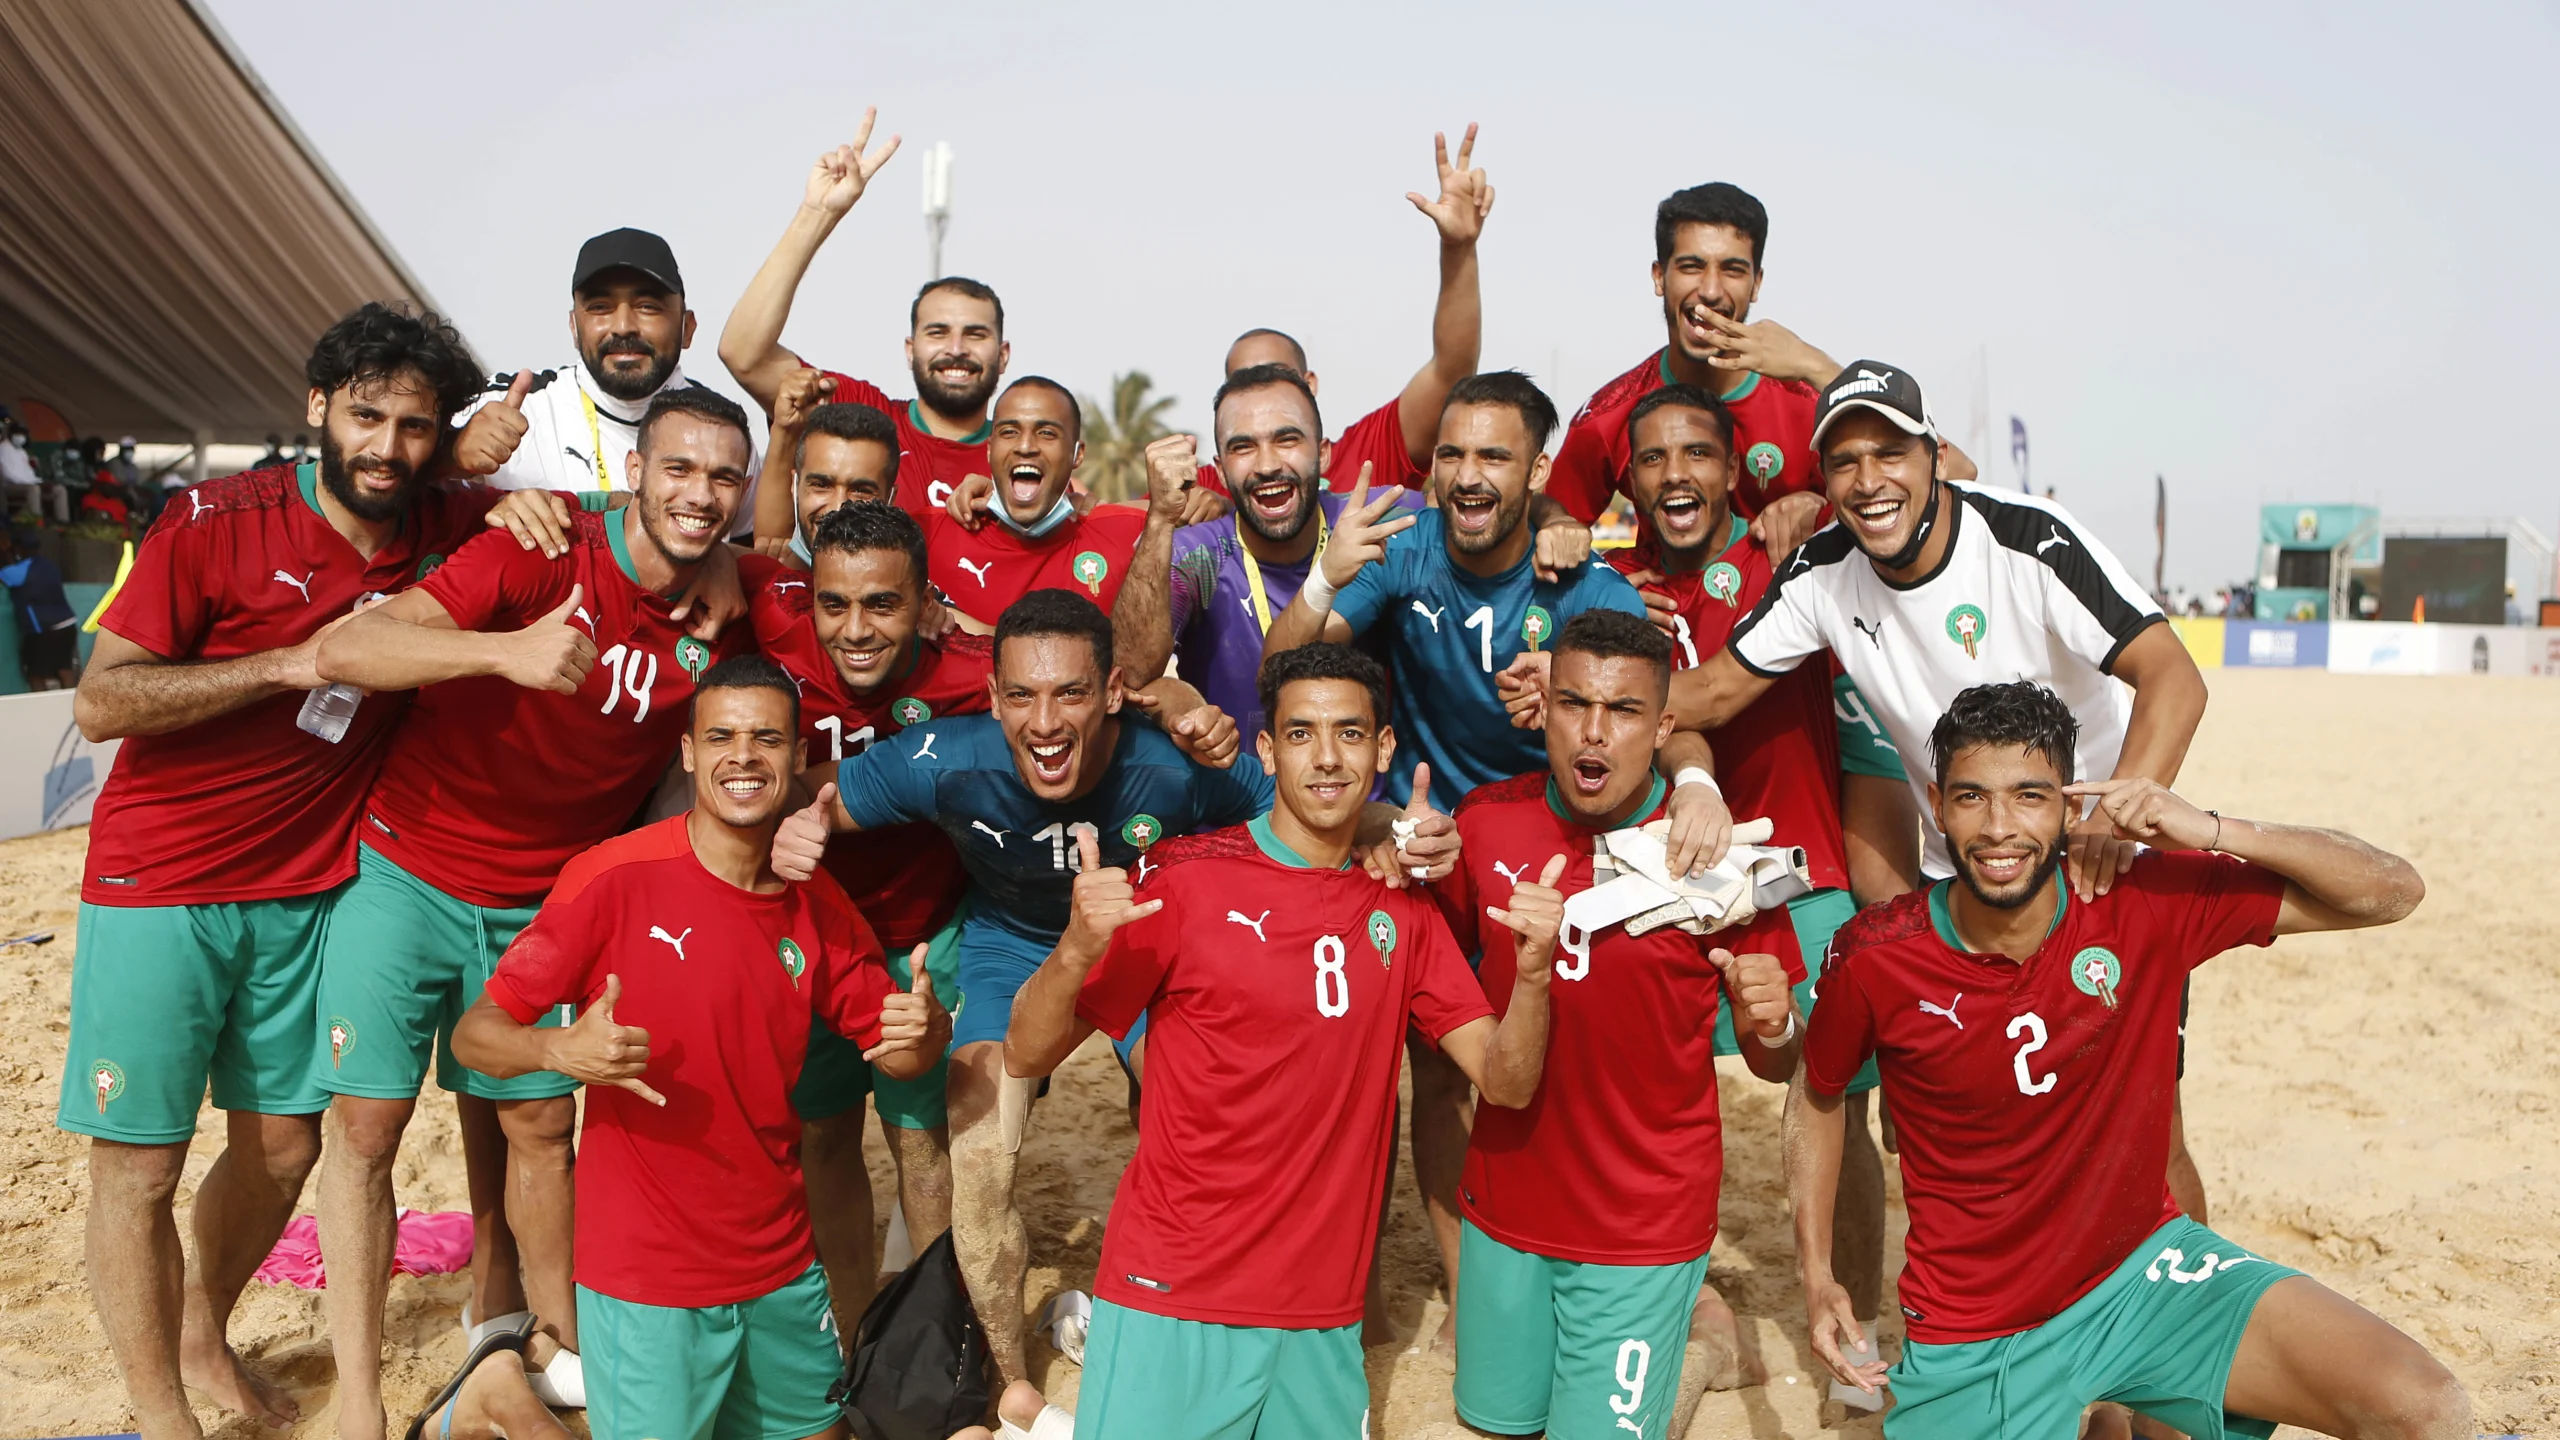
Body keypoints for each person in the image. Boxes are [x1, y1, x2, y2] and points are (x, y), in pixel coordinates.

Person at [1790, 681, 2470, 1440]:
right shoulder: (1878, 955)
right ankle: (2102, 1418)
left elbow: (2392, 890)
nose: (2000, 827)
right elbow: (1816, 1096)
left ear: (2071, 809)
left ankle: (2128, 1409)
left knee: (2427, 1409)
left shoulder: (2139, 899)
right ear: (1937, 805)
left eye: (2030, 796)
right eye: (1972, 797)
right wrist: (1817, 1275)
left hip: (2145, 1274)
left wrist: (2210, 827)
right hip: (1979, 1329)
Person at [1638, 361, 2218, 1227]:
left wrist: (2106, 818)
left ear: (1935, 455)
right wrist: (1583, 696)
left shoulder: (2027, 539)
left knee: (2148, 1131)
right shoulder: (1823, 572)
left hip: (2099, 864)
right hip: (1967, 874)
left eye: (1890, 453)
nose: (1869, 482)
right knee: (1975, 1132)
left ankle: (2182, 1334)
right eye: (1843, 462)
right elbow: (1711, 692)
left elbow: (2174, 678)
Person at [62, 302, 497, 1437]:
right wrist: (284, 665)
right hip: (161, 885)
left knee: (287, 1145)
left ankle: (202, 1330)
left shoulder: (443, 516)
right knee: (141, 1170)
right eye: (365, 415)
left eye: (414, 426)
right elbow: (103, 701)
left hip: (312, 891)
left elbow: (602, 527)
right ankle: (162, 1415)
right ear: (315, 408)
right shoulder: (210, 519)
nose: (386, 447)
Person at [308, 388, 765, 1439]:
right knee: (368, 1127)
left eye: (721, 478)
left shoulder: (730, 593)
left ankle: (555, 1344)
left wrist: (738, 564)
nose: (698, 494)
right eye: (679, 470)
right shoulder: (538, 546)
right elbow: (351, 650)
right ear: (635, 473)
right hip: (408, 866)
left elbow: (836, 571)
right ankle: (357, 1395)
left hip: (543, 896)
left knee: (541, 1122)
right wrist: (501, 652)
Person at [1262, 370, 1731, 1350]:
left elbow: (1663, 718)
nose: (1469, 476)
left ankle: (1641, 1272)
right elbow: (1285, 675)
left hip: (1547, 850)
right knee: (1437, 1072)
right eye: (1453, 455)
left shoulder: (1585, 587)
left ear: (1539, 471)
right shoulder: (1405, 550)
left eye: (1495, 457)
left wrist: (1697, 786)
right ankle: (1469, 1285)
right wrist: (1324, 578)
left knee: (1574, 1064)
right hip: (1428, 839)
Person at [1003, 642, 1562, 1440]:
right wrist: (1073, 951)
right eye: (1300, 734)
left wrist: (1533, 977)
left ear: (1384, 749)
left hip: (1322, 1319)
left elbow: (1504, 1083)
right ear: (1266, 750)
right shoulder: (1186, 880)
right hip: (1175, 1294)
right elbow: (1025, 1054)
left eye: (1349, 734)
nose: (1327, 759)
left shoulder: (1403, 912)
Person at [768, 588, 1287, 1397]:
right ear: (993, 698)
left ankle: (1199, 1325)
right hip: (1008, 952)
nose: (1044, 722)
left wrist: (1389, 832)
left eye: (1070, 693)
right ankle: (1006, 1382)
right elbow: (814, 790)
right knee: (978, 1160)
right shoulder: (947, 757)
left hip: (1139, 947)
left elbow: (1286, 819)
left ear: (1112, 692)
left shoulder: (1174, 767)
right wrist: (802, 821)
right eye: (1021, 695)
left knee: (1200, 1122)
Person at [449, 655, 951, 1440]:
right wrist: (558, 1051)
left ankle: (504, 1394)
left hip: (780, 1258)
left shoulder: (814, 900)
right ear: (687, 753)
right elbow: (476, 1036)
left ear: (794, 758)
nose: (743, 757)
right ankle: (497, 1398)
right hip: (649, 1272)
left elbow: (896, 1053)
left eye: (766, 740)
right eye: (721, 737)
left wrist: (927, 1032)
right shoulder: (611, 878)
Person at [1607, 382, 1917, 1384]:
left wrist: (1809, 508)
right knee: (1661, 1107)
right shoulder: (1614, 592)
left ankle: (1853, 1325)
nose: (1673, 475)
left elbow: (1925, 485)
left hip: (1804, 877)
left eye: (1694, 453)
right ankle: (1676, 1311)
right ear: (1632, 482)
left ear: (1732, 469)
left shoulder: (1801, 549)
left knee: (1836, 1101)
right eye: (1651, 460)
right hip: (1675, 882)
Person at [1435, 611, 1801, 1439]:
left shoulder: (1717, 857)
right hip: (1503, 1211)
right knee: (1497, 1423)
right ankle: (1699, 1343)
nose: (1594, 733)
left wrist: (1772, 1026)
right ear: (1545, 708)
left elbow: (1778, 1062)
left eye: (1625, 711)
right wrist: (1394, 843)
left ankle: (1696, 1347)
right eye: (1574, 704)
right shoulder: (1486, 823)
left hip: (1643, 1224)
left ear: (1664, 726)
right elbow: (1435, 972)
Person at [750, 502, 991, 1333]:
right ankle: (854, 1333)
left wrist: (1175, 693)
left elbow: (1102, 683)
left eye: (882, 605)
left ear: (927, 603)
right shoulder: (773, 644)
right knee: (822, 1138)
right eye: (834, 604)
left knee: (919, 1144)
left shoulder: (975, 677)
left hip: (924, 938)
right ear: (808, 596)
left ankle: (929, 1343)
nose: (854, 629)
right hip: (807, 938)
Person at [1544, 183, 1978, 562]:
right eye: (1691, 266)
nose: (1710, 290)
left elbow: (1957, 471)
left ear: (1756, 284)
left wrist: (1815, 364)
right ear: (1660, 277)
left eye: (1732, 270)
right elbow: (1547, 518)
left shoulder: (1805, 396)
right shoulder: (1612, 412)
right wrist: (1609, 586)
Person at [722, 110, 1003, 515]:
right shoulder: (867, 417)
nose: (955, 348)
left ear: (1004, 353)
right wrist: (818, 214)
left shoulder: (1021, 456)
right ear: (909, 349)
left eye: (975, 334)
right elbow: (744, 353)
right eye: (937, 332)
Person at [446, 227, 759, 534]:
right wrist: (452, 457)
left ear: (687, 328)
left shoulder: (728, 436)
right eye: (600, 308)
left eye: (647, 307)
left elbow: (746, 555)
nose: (623, 326)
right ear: (573, 326)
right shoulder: (504, 408)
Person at [919, 377, 1147, 630]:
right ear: (990, 449)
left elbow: (1184, 505)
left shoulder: (1125, 536)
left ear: (1077, 454)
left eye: (1047, 434)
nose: (1026, 447)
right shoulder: (924, 533)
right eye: (1009, 432)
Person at [749, 366, 903, 565]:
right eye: (821, 485)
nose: (838, 507)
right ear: (795, 486)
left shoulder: (914, 591)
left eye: (860, 491)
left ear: (890, 498)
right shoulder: (759, 584)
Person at [3, 528, 79, 688]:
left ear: (18, 549)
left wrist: (6, 555)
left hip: (44, 629)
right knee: (64, 669)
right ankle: (72, 708)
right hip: (67, 624)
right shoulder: (48, 565)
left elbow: (5, 576)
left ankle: (41, 710)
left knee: (35, 673)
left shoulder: (21, 570)